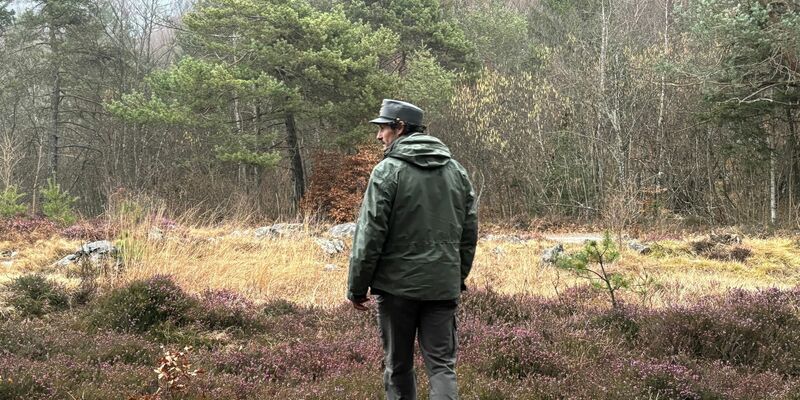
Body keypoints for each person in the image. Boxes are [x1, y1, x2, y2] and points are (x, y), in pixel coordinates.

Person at [347, 99, 479, 400]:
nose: (379, 136)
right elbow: (469, 232)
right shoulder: (456, 171)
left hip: (396, 290)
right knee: (443, 367)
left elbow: (369, 235)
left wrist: (357, 287)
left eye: (383, 128)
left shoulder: (387, 172)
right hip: (442, 288)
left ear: (400, 127)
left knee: (398, 365)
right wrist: (454, 276)